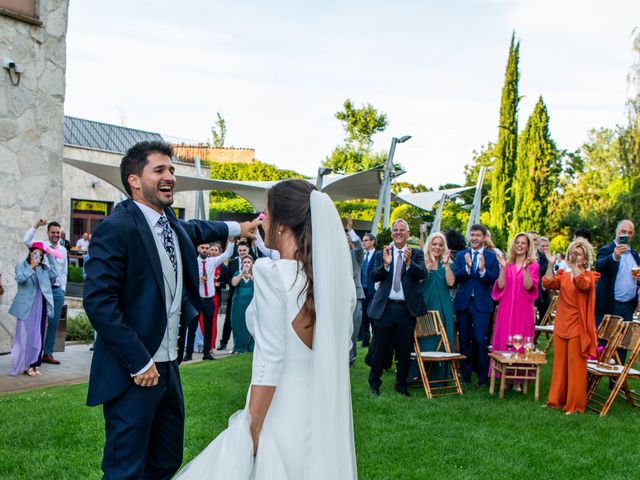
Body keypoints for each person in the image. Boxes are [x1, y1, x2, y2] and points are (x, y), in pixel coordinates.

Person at [83, 141, 259, 479]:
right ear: (135, 180)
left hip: (169, 368)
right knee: (125, 469)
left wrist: (240, 228)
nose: (170, 177)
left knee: (165, 459)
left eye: (172, 170)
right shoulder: (116, 228)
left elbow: (199, 228)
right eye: (160, 170)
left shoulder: (172, 225)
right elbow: (98, 301)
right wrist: (138, 360)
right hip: (134, 371)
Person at [176, 179, 357, 479]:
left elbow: (269, 360)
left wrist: (253, 427)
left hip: (279, 410)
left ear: (283, 226)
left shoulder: (272, 274)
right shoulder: (338, 284)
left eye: (266, 214)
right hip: (321, 410)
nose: (262, 221)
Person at [367, 219, 427, 397]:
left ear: (408, 233)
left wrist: (409, 263)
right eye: (395, 230)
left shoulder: (416, 253)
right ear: (392, 233)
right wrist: (386, 264)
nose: (399, 233)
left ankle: (401, 385)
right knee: (379, 347)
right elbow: (374, 277)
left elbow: (422, 273)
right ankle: (374, 384)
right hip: (385, 308)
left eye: (402, 230)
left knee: (404, 349)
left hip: (405, 310)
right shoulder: (383, 252)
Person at [542, 238, 599, 414]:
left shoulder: (589, 275)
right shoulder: (563, 273)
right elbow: (547, 283)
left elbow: (582, 284)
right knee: (559, 365)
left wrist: (574, 266)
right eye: (573, 252)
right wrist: (551, 265)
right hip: (562, 323)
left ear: (585, 257)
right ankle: (556, 401)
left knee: (575, 366)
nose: (575, 255)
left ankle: (574, 405)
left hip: (578, 325)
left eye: (579, 253)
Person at [491, 233, 539, 390]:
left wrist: (525, 269)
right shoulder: (508, 264)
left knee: (521, 340)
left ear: (528, 246)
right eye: (517, 242)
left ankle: (518, 379)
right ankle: (504, 377)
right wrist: (503, 269)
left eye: (523, 243)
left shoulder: (534, 266)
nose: (519, 245)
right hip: (506, 307)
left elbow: (528, 286)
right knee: (505, 338)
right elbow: (500, 285)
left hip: (523, 308)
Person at [453, 224, 500, 387]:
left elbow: (495, 279)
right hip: (463, 304)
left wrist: (482, 270)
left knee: (481, 340)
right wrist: (466, 268)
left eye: (478, 235)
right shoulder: (460, 255)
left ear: (484, 237)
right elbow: (454, 278)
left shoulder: (492, 257)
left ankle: (482, 377)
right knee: (464, 340)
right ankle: (465, 376)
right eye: (472, 235)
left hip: (482, 304)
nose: (474, 238)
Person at [23, 219, 68, 365]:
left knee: (54, 323)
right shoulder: (41, 246)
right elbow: (26, 241)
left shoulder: (63, 250)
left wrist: (62, 289)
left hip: (57, 290)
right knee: (40, 322)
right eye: (53, 232)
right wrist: (36, 224)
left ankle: (48, 354)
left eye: (57, 232)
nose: (55, 235)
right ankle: (35, 354)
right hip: (43, 289)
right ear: (48, 233)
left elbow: (64, 272)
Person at [9, 242, 55, 377]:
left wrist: (50, 257)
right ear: (30, 253)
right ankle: (26, 365)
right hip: (27, 306)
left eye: (40, 254)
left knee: (39, 335)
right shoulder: (21, 266)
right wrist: (31, 267)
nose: (38, 256)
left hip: (41, 305)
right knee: (27, 336)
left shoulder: (43, 268)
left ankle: (35, 364)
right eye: (35, 253)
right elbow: (20, 279)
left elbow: (54, 274)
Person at [185, 239, 234, 361]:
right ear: (198, 249)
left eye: (207, 248)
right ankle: (188, 353)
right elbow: (187, 278)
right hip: (196, 299)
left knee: (208, 327)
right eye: (203, 248)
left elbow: (227, 255)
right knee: (192, 328)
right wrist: (198, 279)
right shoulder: (193, 262)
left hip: (209, 299)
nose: (205, 250)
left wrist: (231, 242)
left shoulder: (212, 261)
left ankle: (207, 353)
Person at [418, 232, 455, 380]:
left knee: (442, 337)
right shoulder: (422, 260)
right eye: (434, 244)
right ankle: (421, 374)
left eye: (440, 244)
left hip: (443, 306)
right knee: (424, 339)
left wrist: (446, 265)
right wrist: (426, 268)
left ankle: (440, 375)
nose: (437, 247)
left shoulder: (447, 262)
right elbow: (417, 281)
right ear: (429, 245)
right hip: (425, 305)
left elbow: (451, 283)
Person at [219, 241, 251, 350]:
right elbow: (227, 277)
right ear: (237, 250)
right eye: (240, 250)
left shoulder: (253, 261)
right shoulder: (232, 262)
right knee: (230, 319)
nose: (242, 252)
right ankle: (224, 342)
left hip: (250, 295)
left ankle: (248, 344)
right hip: (234, 294)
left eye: (244, 250)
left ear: (248, 250)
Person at [345, 214, 364, 367]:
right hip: (339, 298)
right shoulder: (333, 259)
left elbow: (359, 246)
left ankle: (350, 360)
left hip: (356, 296)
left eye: (347, 240)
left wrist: (350, 230)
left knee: (353, 329)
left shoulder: (355, 256)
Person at [230, 255, 255, 353]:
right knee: (238, 324)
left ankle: (251, 347)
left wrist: (250, 276)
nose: (246, 264)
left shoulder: (255, 275)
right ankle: (239, 347)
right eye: (244, 262)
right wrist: (242, 274)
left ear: (252, 264)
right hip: (238, 304)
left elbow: (260, 283)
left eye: (248, 262)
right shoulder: (237, 273)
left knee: (251, 324)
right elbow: (234, 283)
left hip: (251, 302)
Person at [358, 232, 377, 348]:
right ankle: (365, 340)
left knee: (372, 315)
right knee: (363, 316)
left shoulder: (378, 255)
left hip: (373, 290)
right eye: (363, 240)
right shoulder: (362, 256)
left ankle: (376, 339)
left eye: (366, 240)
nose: (363, 242)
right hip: (362, 289)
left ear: (372, 242)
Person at [536, 236, 552, 323]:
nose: (545, 248)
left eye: (547, 246)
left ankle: (540, 327)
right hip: (536, 287)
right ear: (538, 246)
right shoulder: (536, 256)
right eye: (543, 246)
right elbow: (540, 270)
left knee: (545, 312)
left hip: (545, 289)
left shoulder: (548, 257)